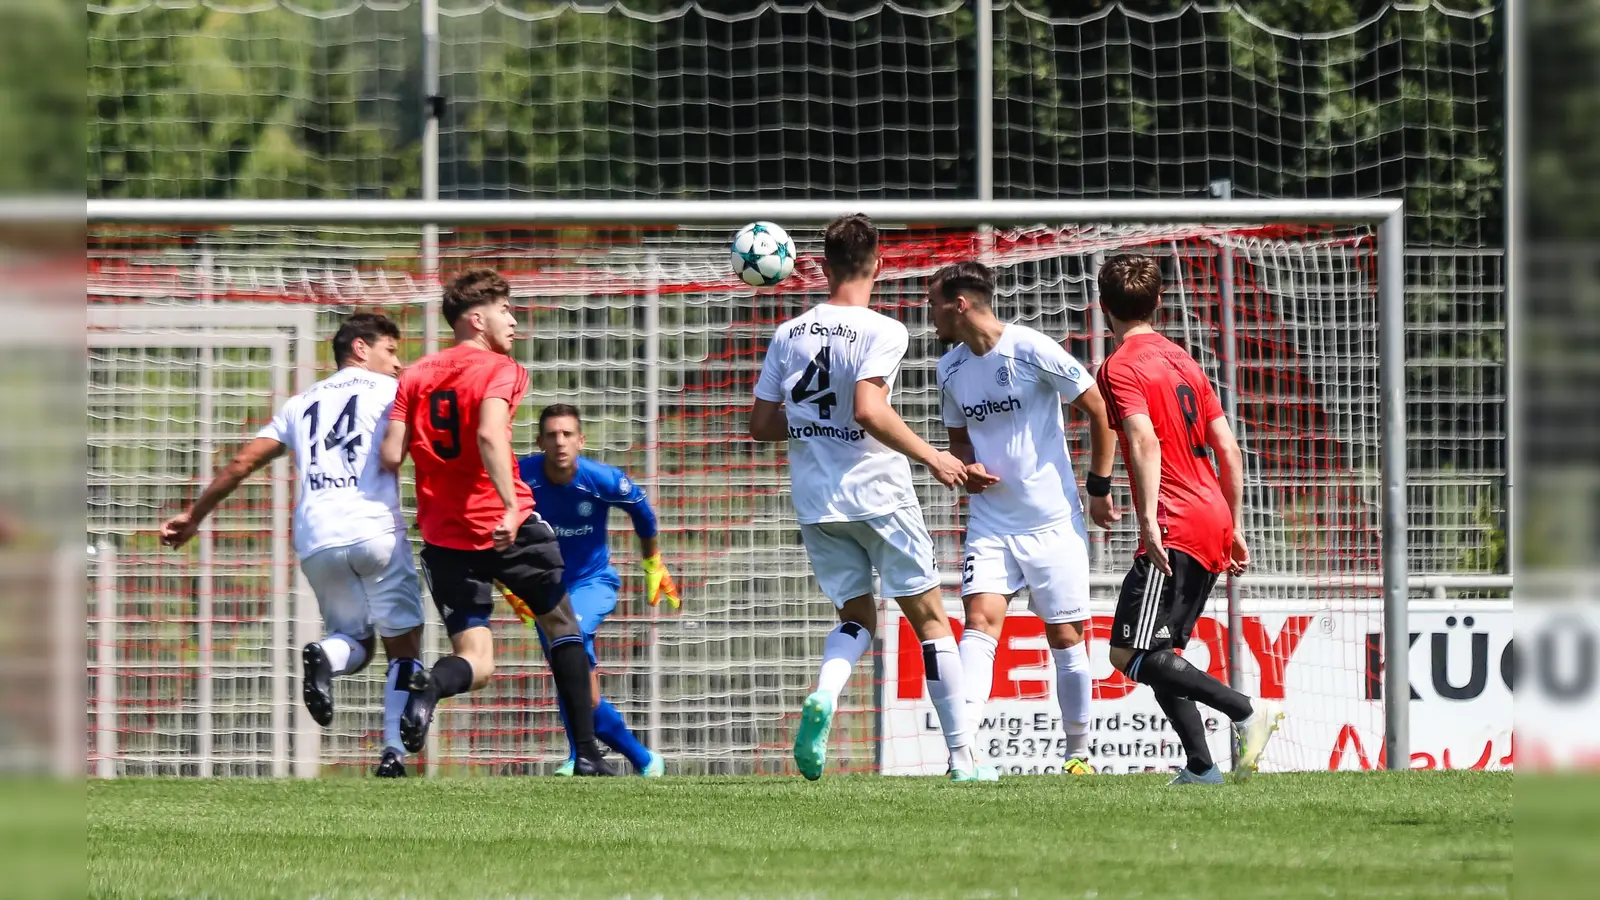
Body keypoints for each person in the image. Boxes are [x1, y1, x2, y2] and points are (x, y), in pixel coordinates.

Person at [749, 213, 989, 782]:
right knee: (931, 622)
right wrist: (934, 457)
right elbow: (867, 409)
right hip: (878, 494)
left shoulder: (789, 333)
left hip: (816, 501)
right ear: (878, 265)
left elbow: (761, 424)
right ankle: (963, 759)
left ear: (823, 266)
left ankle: (826, 694)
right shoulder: (884, 330)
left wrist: (811, 423)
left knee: (856, 617)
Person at [160, 313, 424, 777]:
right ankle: (392, 754)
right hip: (373, 529)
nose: (398, 363)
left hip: (316, 538)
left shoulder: (300, 403)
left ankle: (325, 655)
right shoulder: (391, 392)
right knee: (404, 648)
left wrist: (194, 515)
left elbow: (242, 462)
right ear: (361, 348)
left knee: (356, 641)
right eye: (391, 350)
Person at [378, 268, 615, 776]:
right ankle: (589, 756)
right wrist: (510, 506)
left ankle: (431, 687)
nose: (513, 319)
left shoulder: (414, 376)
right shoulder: (500, 368)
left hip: (445, 536)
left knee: (476, 660)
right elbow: (489, 434)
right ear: (476, 318)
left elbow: (391, 454)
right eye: (506, 310)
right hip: (503, 521)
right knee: (561, 625)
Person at [1094, 253, 1283, 784]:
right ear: (1159, 303)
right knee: (1163, 650)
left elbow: (1142, 439)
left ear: (1103, 307)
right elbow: (1228, 447)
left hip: (1174, 519)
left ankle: (1246, 710)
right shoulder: (1184, 360)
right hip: (1211, 516)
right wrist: (1234, 522)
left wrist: (1150, 520)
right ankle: (1201, 766)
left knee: (1127, 652)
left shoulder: (1120, 367)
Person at [928, 261, 1118, 776]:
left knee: (1066, 636)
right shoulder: (949, 369)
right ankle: (962, 755)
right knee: (980, 623)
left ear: (960, 304)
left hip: (1053, 520)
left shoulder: (1031, 349)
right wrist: (966, 467)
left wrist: (1098, 488)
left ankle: (1078, 754)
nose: (930, 312)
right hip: (991, 522)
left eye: (935, 301)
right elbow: (960, 437)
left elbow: (1099, 410)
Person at [504, 403, 676, 776]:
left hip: (592, 583)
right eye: (552, 435)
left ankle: (593, 756)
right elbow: (494, 519)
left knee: (572, 638)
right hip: (545, 589)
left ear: (581, 440)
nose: (560, 442)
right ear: (540, 441)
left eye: (567, 434)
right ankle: (629, 759)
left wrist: (652, 563)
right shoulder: (521, 475)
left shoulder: (602, 479)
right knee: (578, 682)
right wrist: (508, 585)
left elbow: (643, 512)